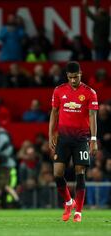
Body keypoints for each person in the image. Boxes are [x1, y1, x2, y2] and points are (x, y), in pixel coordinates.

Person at [49, 61, 98, 222]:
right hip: (63, 138)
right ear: (67, 76)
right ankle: (69, 202)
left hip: (81, 139)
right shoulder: (59, 90)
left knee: (80, 173)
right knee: (57, 174)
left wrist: (93, 139)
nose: (73, 80)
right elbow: (54, 113)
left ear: (80, 74)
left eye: (75, 77)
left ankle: (79, 212)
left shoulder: (90, 93)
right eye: (70, 77)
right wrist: (51, 134)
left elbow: (92, 116)